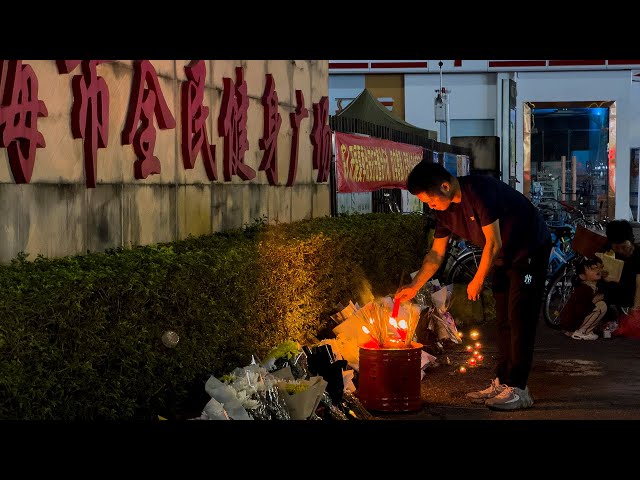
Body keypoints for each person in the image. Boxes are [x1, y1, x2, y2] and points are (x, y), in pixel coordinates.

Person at [394, 161, 551, 411]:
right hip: (502, 259)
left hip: (529, 254)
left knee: (519, 316)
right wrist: (414, 286)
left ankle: (520, 389)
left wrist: (477, 280)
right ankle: (503, 381)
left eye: (430, 199)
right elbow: (436, 255)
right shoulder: (444, 212)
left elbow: (493, 242)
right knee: (503, 321)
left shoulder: (479, 191)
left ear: (445, 186)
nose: (429, 205)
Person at [558, 256, 607, 340]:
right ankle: (581, 332)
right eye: (593, 269)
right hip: (571, 323)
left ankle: (585, 330)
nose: (598, 270)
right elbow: (579, 311)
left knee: (601, 305)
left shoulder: (594, 287)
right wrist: (594, 301)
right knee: (601, 306)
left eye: (599, 268)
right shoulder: (584, 289)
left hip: (573, 322)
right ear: (583, 276)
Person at [604, 219, 640, 313]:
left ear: (631, 241)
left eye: (624, 247)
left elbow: (639, 285)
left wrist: (636, 309)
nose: (620, 251)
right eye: (616, 248)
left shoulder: (638, 255)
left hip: (632, 298)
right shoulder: (607, 251)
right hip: (611, 299)